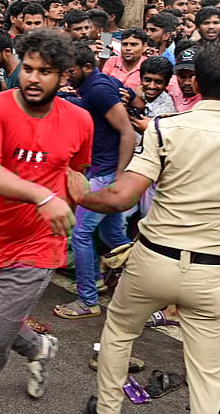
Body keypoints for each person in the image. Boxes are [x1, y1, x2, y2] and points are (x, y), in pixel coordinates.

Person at [70, 40, 220, 414]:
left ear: (197, 83)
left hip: (153, 260)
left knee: (119, 333)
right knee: (208, 369)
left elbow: (121, 197)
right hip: (212, 271)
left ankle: (107, 409)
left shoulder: (164, 130)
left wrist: (81, 195)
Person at [0, 29, 93, 414]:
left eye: (44, 71)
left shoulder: (80, 120)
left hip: (37, 244)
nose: (32, 77)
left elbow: (76, 169)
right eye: (28, 68)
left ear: (63, 76)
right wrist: (41, 195)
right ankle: (37, 347)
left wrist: (73, 197)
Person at [53, 43, 135, 320]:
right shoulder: (99, 83)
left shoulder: (98, 89)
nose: (67, 75)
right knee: (113, 237)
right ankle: (142, 289)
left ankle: (88, 300)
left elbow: (127, 131)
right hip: (100, 169)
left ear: (88, 68)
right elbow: (125, 92)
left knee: (81, 233)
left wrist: (120, 176)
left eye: (71, 71)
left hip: (108, 173)